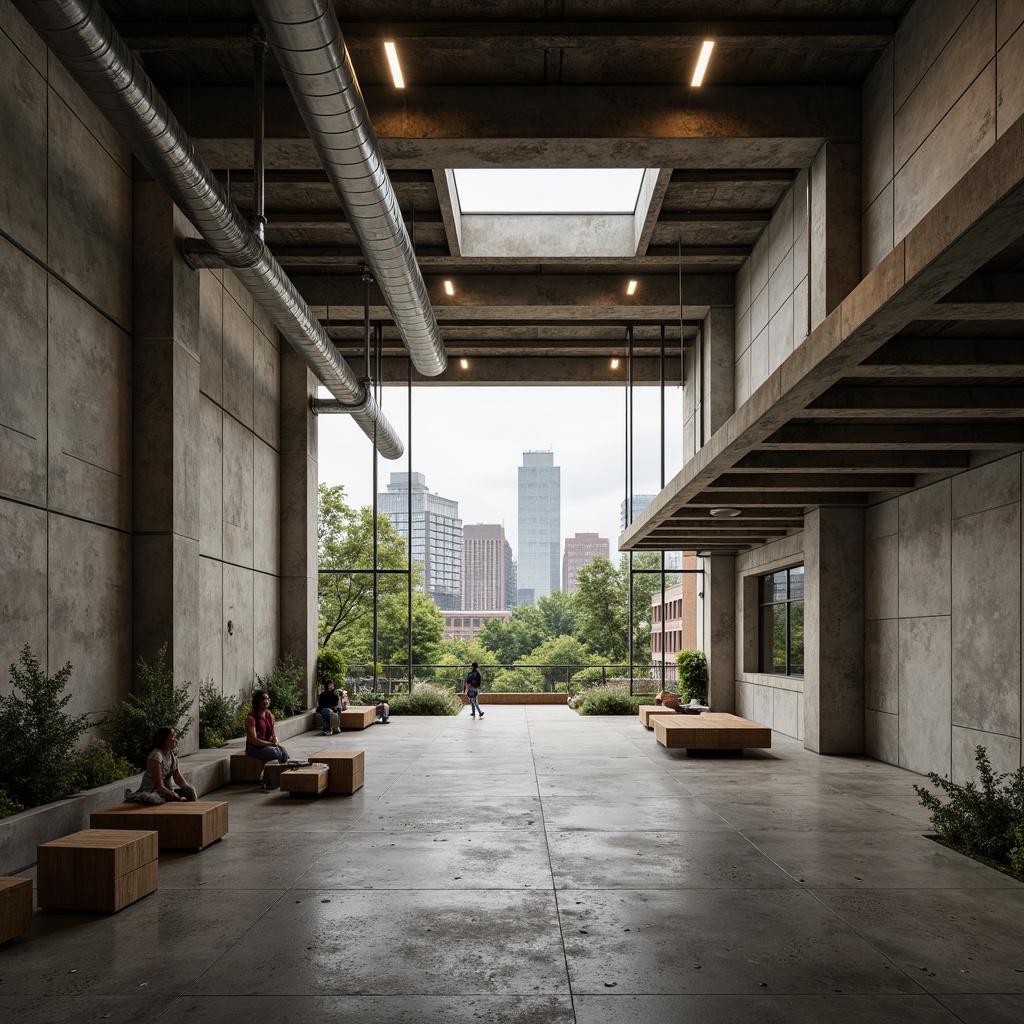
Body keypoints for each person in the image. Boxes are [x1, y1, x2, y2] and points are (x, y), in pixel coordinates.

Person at [130, 726, 196, 803]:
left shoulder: (173, 756)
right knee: (169, 799)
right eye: (173, 737)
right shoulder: (156, 755)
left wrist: (189, 789)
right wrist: (173, 795)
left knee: (189, 794)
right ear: (164, 740)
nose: (176, 740)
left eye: (175, 737)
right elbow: (159, 786)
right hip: (152, 793)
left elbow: (178, 778)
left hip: (166, 792)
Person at [245, 691, 289, 763]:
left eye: (268, 699)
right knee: (275, 753)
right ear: (257, 701)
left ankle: (285, 768)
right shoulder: (251, 719)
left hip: (267, 745)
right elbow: (253, 740)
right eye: (263, 699)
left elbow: (271, 735)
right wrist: (269, 744)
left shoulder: (269, 716)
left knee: (282, 750)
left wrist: (274, 741)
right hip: (255, 748)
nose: (266, 701)